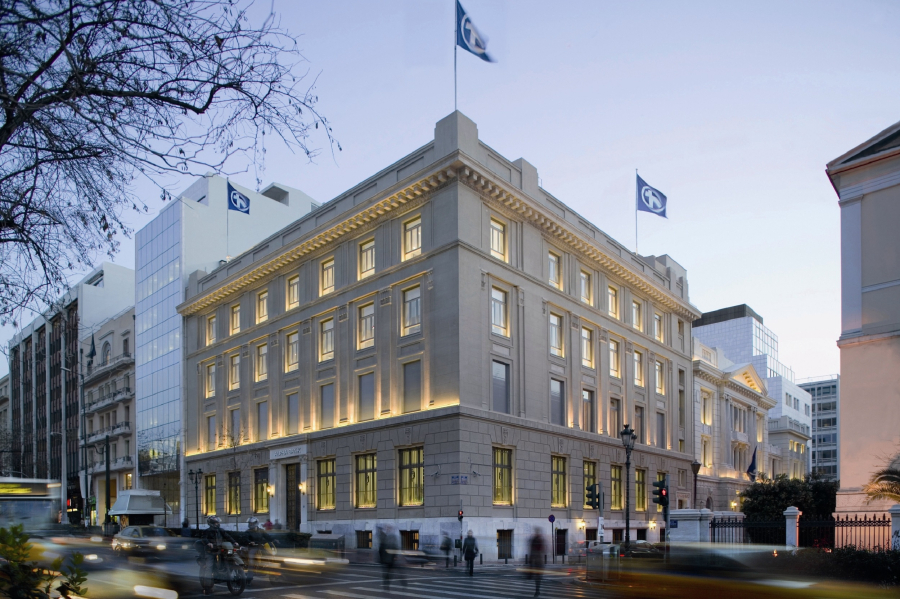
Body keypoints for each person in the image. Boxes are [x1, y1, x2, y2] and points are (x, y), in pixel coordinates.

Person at [527, 528, 546, 597]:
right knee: (538, 577)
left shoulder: (537, 540)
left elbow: (533, 550)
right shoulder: (538, 539)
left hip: (537, 561)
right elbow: (543, 549)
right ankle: (537, 590)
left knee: (537, 577)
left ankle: (537, 590)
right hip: (537, 561)